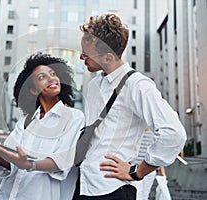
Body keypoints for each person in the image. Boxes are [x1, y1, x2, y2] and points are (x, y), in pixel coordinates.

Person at [75, 13, 186, 199]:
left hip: (113, 189)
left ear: (108, 58)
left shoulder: (138, 85)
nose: (81, 57)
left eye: (86, 55)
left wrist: (137, 172)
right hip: (84, 184)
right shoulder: (94, 85)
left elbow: (174, 133)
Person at [0, 53, 85, 200]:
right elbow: (10, 163)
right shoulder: (26, 120)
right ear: (33, 90)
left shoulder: (73, 117)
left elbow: (61, 163)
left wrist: (29, 164)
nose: (51, 78)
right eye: (42, 77)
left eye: (53, 74)